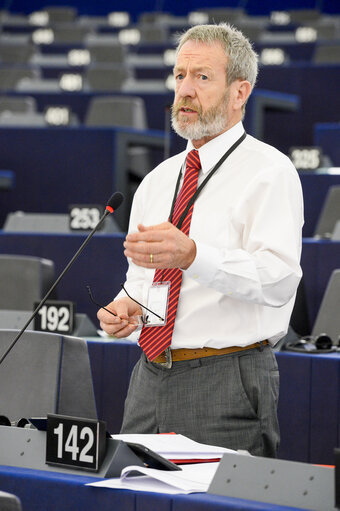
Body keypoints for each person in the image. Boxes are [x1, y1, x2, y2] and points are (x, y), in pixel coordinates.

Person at [98, 23, 303, 457]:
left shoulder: (270, 171)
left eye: (202, 77)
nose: (185, 90)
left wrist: (193, 255)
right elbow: (144, 280)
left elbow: (279, 280)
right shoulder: (156, 180)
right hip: (148, 376)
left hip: (228, 380)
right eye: (179, 76)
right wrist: (126, 305)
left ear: (239, 92)